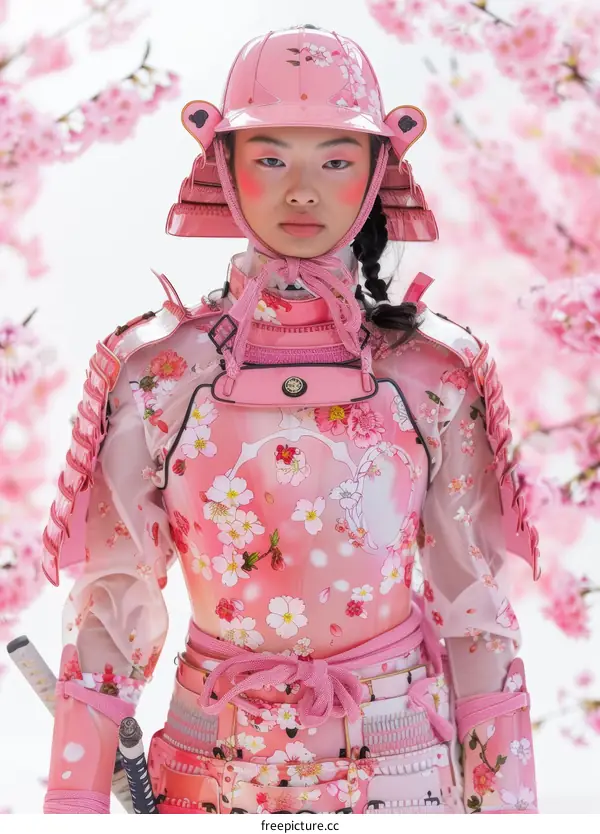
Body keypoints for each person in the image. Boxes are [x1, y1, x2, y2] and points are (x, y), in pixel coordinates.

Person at [41, 25, 541, 815]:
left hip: (405, 775)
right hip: (204, 770)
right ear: (223, 166)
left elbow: (477, 615)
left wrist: (511, 814)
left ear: (379, 169)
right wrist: (72, 804)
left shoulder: (436, 371)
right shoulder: (156, 369)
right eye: (270, 158)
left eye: (335, 161)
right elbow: (113, 594)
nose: (301, 190)